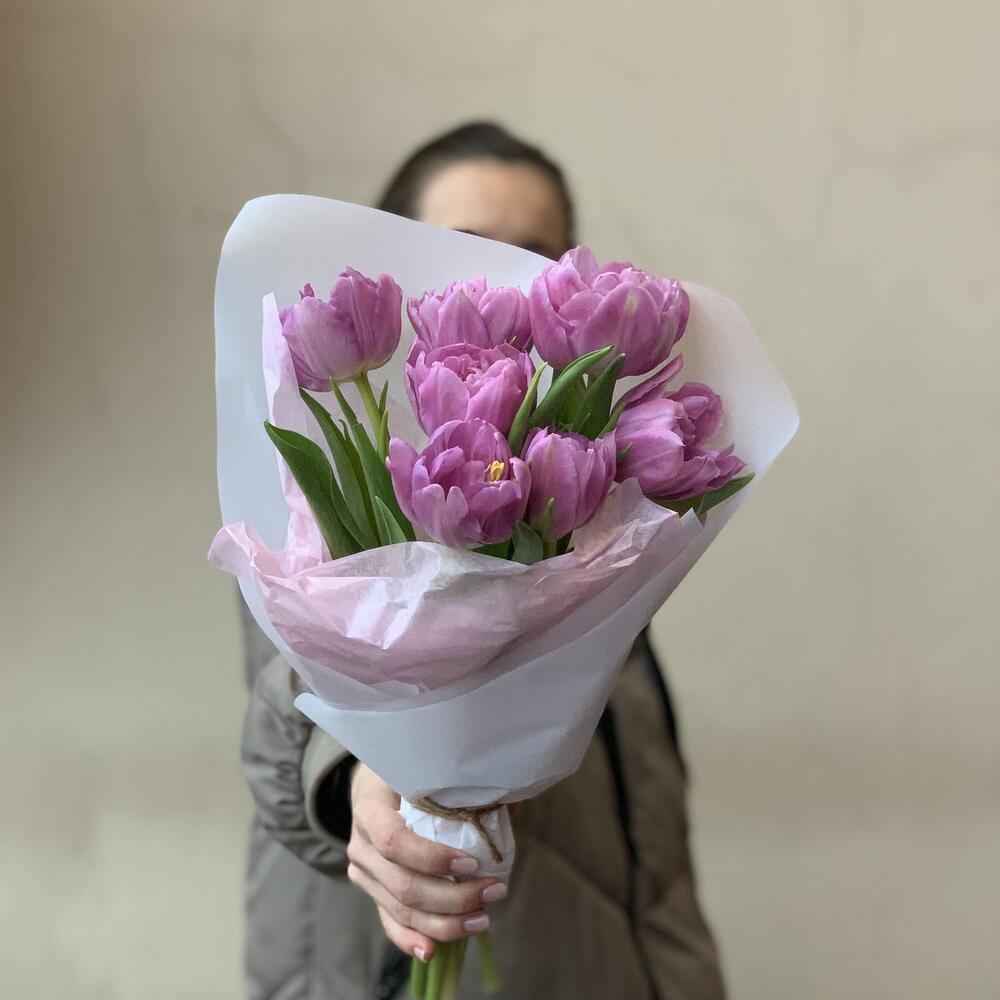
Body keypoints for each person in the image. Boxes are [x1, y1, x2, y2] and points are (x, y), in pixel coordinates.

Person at [240, 122, 726, 1000]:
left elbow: (651, 851)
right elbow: (296, 692)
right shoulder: (322, 491)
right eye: (465, 245)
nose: (502, 278)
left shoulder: (590, 506)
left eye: (535, 255)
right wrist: (369, 768)